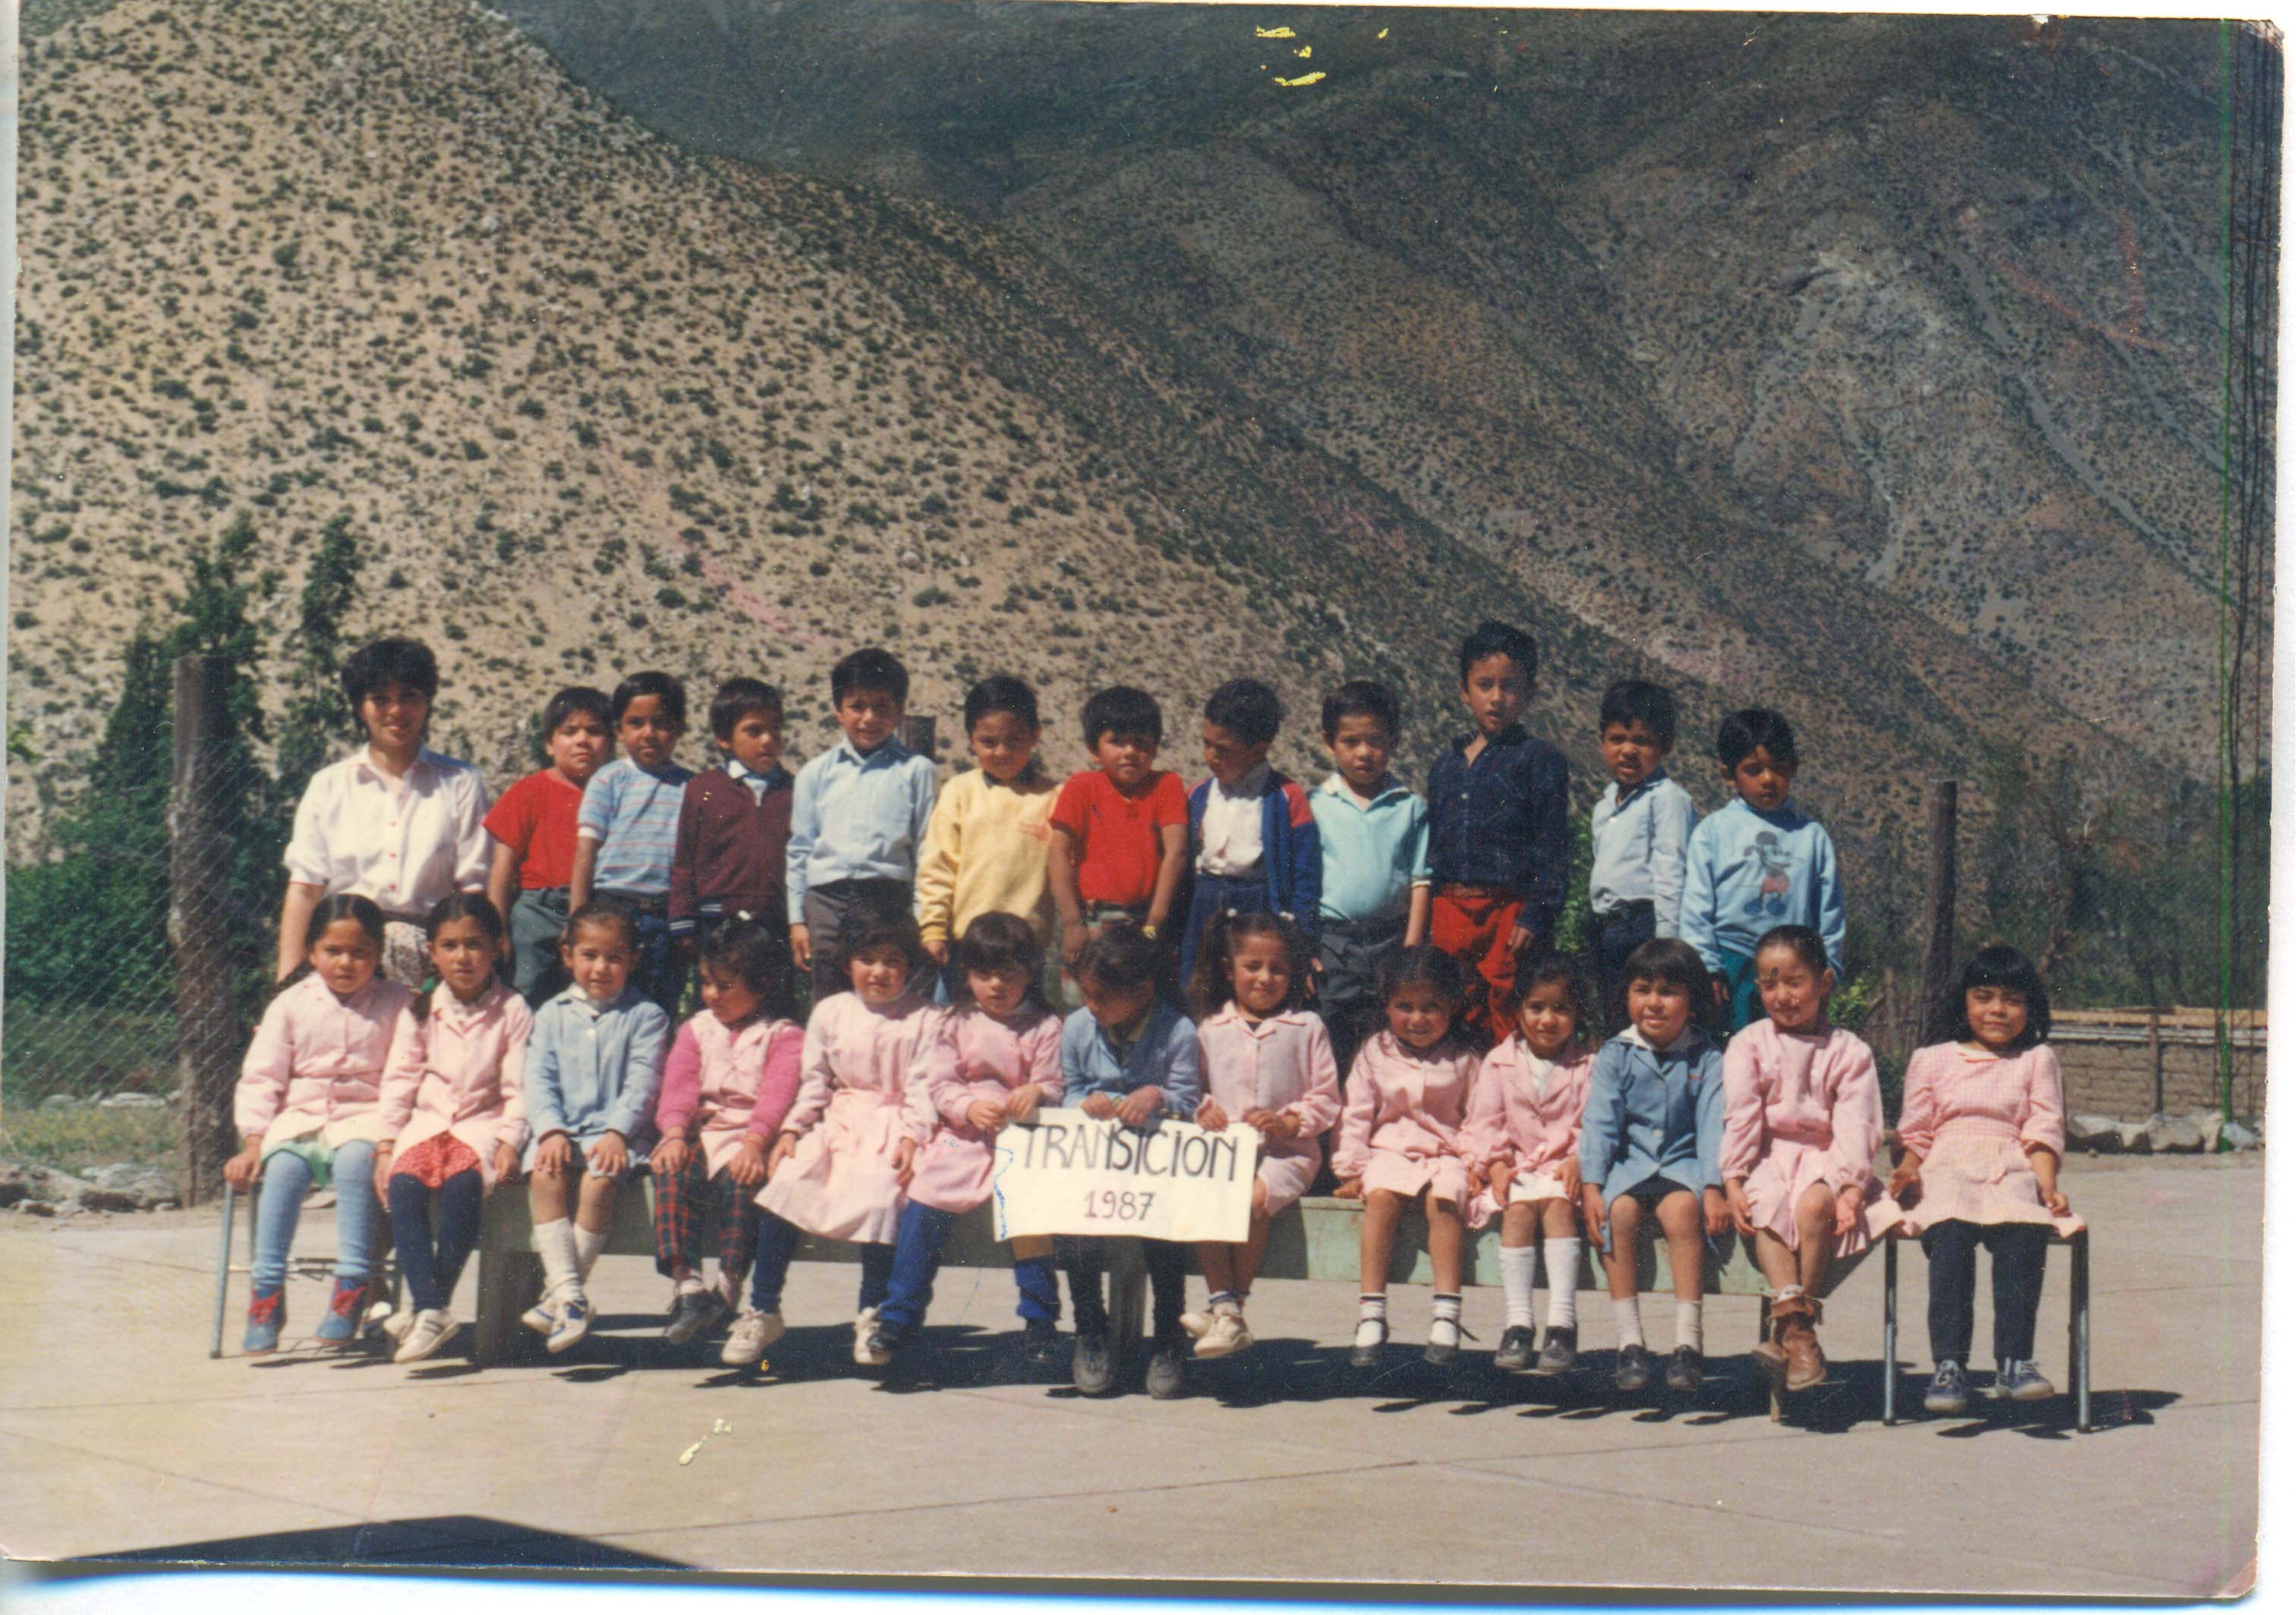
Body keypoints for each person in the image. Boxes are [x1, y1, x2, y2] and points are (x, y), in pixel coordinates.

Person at [1869, 944, 2080, 1412]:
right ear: (1964, 1001)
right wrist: (1907, 1170)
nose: (1998, 1011)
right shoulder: (1932, 1059)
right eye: (1984, 997)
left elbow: (2043, 1131)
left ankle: (2014, 1361)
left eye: (2012, 999)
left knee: (2025, 1233)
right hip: (1947, 1167)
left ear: (2031, 1007)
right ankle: (1950, 1367)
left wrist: (2047, 1189)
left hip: (2011, 1167)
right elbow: (1916, 1131)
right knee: (1950, 1236)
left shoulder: (2037, 1060)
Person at [741, 904, 940, 1370]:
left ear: (909, 966)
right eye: (867, 959)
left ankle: (872, 1313)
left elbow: (923, 1087)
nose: (879, 972)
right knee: (787, 1183)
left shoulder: (926, 1018)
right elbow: (813, 1082)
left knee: (881, 1196)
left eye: (893, 961)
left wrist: (912, 1136)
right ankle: (762, 1307)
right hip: (841, 1120)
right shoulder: (831, 1011)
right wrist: (792, 1130)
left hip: (893, 1124)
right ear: (849, 963)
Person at [866, 913, 1067, 1365]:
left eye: (1008, 974)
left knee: (1028, 1211)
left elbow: (1055, 1082)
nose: (996, 985)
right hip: (963, 1136)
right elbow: (940, 1084)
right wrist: (967, 1107)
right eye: (983, 974)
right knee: (926, 1195)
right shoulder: (953, 1022)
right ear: (967, 975)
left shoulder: (1045, 1025)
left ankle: (1040, 1321)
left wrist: (1036, 1092)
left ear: (1030, 972)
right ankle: (898, 1315)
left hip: (1023, 1139)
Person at [229, 894, 413, 1353]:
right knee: (284, 1171)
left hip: (366, 1119)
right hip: (301, 1119)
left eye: (360, 952)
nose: (346, 963)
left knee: (356, 1163)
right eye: (333, 951)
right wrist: (254, 1142)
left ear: (378, 955)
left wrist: (389, 1136)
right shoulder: (290, 1004)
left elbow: (402, 1075)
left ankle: (352, 1285)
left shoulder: (397, 1003)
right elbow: (262, 1075)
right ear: (312, 952)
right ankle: (266, 1293)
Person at [1719, 924, 1884, 1396]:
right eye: (1769, 984)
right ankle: (1800, 1333)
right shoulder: (1750, 1043)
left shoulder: (1849, 1051)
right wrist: (1734, 1178)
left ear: (1824, 982)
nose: (1782, 995)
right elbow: (1743, 1117)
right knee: (1764, 1202)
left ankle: (1788, 1327)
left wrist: (1851, 1186)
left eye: (1794, 982)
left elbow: (1858, 1124)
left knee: (1815, 1206)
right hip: (1769, 1155)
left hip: (1827, 1157)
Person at [373, 893, 532, 1364]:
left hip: (481, 1124)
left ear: (498, 948)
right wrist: (386, 1143)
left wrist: (509, 1139)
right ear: (433, 954)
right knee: (404, 1184)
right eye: (450, 946)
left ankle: (427, 1307)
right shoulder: (421, 1009)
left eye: (475, 944)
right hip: (428, 1122)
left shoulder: (513, 1009)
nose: (463, 957)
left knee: (465, 1184)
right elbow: (400, 1079)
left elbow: (517, 1084)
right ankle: (432, 1307)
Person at [279, 638, 490, 989]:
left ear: (427, 704)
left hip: (430, 961)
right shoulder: (329, 786)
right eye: (380, 699)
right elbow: (304, 890)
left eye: (409, 697)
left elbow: (471, 888)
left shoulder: (461, 783)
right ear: (360, 708)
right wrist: (285, 984)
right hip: (344, 957)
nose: (396, 711)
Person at [1183, 912, 1340, 1361]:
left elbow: (1327, 1097)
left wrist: (1291, 1121)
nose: (1265, 978)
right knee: (1209, 1202)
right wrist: (1204, 1110)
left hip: (1286, 1155)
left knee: (1252, 1203)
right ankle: (1224, 1306)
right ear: (1229, 970)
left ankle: (1230, 1310)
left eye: (1277, 969)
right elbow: (1191, 1089)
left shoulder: (1307, 1027)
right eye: (1252, 966)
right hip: (1226, 1152)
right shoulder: (1210, 1030)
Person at [1578, 937, 1729, 1395]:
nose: (1654, 1003)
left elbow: (1712, 1128)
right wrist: (1592, 1185)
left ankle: (1687, 1344)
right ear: (1626, 996)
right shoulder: (1616, 1055)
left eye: (1669, 991)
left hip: (1682, 1166)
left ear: (1693, 1000)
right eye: (1643, 990)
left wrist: (1713, 1187)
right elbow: (1600, 1123)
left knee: (1683, 1212)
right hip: (1630, 1166)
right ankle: (1630, 1343)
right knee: (1617, 1215)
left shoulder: (1707, 1057)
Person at [521, 902, 671, 1354]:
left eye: (614, 957)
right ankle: (572, 1298)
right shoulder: (550, 1014)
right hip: (563, 1131)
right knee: (545, 1173)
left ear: (633, 960)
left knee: (599, 1181)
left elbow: (643, 1083)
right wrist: (549, 1130)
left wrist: (618, 1133)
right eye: (589, 955)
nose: (601, 968)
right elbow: (538, 1078)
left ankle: (561, 1299)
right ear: (568, 956)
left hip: (614, 1134)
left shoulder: (647, 1017)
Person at [1058, 925, 1202, 1398]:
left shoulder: (1177, 1031)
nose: (1092, 1007)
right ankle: (1089, 1327)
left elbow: (1189, 1096)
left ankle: (1168, 1335)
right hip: (1096, 1163)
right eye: (1087, 996)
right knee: (1072, 1228)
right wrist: (1087, 1102)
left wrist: (1156, 1095)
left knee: (1163, 1231)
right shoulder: (1078, 1027)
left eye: (1102, 997)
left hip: (1154, 1166)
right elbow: (1071, 1089)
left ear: (1142, 991)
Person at [650, 918, 805, 1351]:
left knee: (743, 1184)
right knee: (672, 1172)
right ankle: (689, 1288)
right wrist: (675, 1134)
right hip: (702, 1131)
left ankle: (727, 1289)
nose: (711, 995)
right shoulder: (697, 1028)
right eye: (706, 983)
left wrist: (757, 1142)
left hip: (750, 1135)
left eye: (724, 985)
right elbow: (678, 1087)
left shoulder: (783, 1035)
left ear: (761, 984)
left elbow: (777, 1094)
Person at [1332, 946, 1482, 1368]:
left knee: (1446, 1201)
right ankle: (1372, 1314)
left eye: (1431, 1007)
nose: (1417, 1019)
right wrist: (1353, 1169)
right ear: (1387, 1006)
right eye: (1405, 1007)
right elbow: (1356, 1114)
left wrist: (1475, 1164)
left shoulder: (1464, 1059)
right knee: (1381, 1200)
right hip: (1390, 1151)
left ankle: (1447, 1316)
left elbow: (1480, 1118)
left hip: (1447, 1154)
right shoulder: (1375, 1054)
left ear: (1452, 1007)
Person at [1425, 621, 1570, 1044]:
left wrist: (1539, 910)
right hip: (1451, 905)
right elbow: (1434, 842)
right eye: (1484, 684)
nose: (1496, 698)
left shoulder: (1539, 759)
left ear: (1529, 693)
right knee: (1452, 1004)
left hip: (1510, 909)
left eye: (1510, 686)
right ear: (1464, 690)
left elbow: (1554, 843)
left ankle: (1512, 1100)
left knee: (1509, 1004)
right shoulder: (1446, 765)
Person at [1463, 955, 1595, 1376]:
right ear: (1518, 1011)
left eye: (1561, 1009)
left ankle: (1562, 1324)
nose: (1547, 1020)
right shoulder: (1499, 1063)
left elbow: (1595, 1122)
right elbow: (1483, 1123)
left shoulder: (1587, 1065)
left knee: (1557, 1207)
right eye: (1536, 1007)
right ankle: (1518, 1323)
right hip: (1517, 1168)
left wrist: (1580, 1158)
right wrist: (1496, 1165)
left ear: (1577, 1015)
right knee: (1518, 1213)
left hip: (1561, 1168)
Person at [1680, 708, 1845, 1034]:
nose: (1768, 780)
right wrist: (1708, 970)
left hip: (1792, 968)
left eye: (1779, 769)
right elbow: (1695, 909)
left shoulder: (1811, 837)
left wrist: (1829, 972)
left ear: (1794, 769)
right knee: (1731, 1055)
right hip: (1731, 964)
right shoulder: (1713, 831)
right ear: (1729, 775)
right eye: (1753, 770)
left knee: (1788, 1049)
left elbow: (1831, 913)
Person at [786, 647, 937, 1003]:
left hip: (888, 900)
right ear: (838, 710)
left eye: (882, 706)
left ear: (899, 710)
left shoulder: (917, 772)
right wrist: (797, 920)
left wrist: (922, 918)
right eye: (857, 706)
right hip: (827, 904)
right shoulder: (815, 773)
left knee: (889, 1005)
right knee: (830, 1004)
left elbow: (927, 848)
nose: (869, 718)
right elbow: (800, 849)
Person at [1306, 679, 1431, 1077]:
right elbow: (1306, 881)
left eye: (1375, 741)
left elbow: (1420, 882)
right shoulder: (1316, 805)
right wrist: (1306, 946)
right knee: (1330, 1036)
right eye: (1350, 741)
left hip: (1390, 943)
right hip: (1333, 945)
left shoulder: (1410, 807)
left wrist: (1410, 952)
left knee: (1386, 1037)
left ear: (1393, 741)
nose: (1364, 753)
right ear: (1330, 743)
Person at [913, 676, 1060, 990]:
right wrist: (933, 930)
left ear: (1036, 734)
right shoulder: (959, 792)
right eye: (989, 742)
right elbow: (938, 867)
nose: (1002, 752)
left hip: (1026, 950)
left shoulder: (1054, 797)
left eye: (1014, 741)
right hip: (965, 946)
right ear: (971, 740)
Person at [1046, 686, 1189, 997]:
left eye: (1140, 743)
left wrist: (1155, 922)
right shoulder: (1083, 787)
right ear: (1094, 748)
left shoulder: (1167, 785)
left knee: (1142, 1008)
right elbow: (1058, 852)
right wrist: (1072, 923)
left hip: (1146, 919)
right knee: (1086, 1007)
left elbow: (1176, 852)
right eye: (1117, 741)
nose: (1129, 752)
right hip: (1092, 919)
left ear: (1155, 747)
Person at [1178, 678, 1320, 990]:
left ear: (1259, 750)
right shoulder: (1199, 794)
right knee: (1196, 994)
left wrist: (1301, 942)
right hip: (1202, 908)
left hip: (1256, 910)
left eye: (1223, 749)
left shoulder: (1286, 797)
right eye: (1206, 743)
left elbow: (1306, 879)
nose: (1210, 756)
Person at [568, 672, 694, 1014]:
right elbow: (587, 850)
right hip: (612, 910)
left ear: (680, 728)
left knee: (657, 1009)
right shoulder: (609, 778)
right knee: (604, 1003)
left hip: (666, 916)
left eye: (662, 723)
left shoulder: (693, 787)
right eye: (635, 723)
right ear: (619, 730)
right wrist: (577, 920)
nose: (649, 734)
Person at [483, 686, 613, 1006]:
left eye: (594, 731)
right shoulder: (528, 791)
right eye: (569, 731)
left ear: (611, 742)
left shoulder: (616, 794)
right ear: (549, 743)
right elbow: (502, 867)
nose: (582, 740)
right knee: (526, 992)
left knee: (591, 997)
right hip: (537, 909)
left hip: (596, 909)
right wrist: (497, 930)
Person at [668, 678, 795, 996]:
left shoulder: (794, 790)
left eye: (775, 729)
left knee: (773, 1006)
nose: (768, 740)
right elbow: (684, 860)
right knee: (718, 1004)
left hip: (774, 923)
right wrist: (684, 921)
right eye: (754, 731)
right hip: (717, 923)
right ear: (725, 739)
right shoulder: (703, 789)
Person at [1587, 680, 1698, 1028]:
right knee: (1615, 1022)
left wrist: (1667, 946)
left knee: (1649, 1023)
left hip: (1644, 927)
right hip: (1607, 928)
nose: (1628, 750)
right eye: (1617, 739)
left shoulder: (1667, 800)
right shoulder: (1606, 805)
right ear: (1602, 741)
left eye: (1642, 741)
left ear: (1666, 745)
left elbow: (1671, 871)